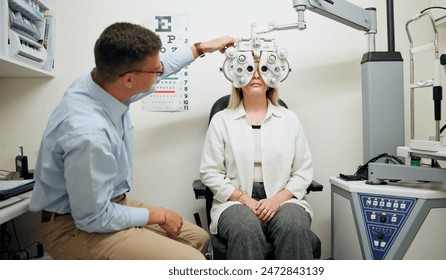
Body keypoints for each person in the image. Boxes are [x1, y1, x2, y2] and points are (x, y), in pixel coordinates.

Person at [29, 22, 235, 260]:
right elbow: (93, 217)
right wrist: (158, 215)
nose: (160, 72)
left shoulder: (102, 81)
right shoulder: (88, 133)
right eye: (156, 72)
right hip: (73, 226)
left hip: (111, 204)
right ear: (128, 80)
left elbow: (162, 66)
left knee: (198, 239)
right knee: (192, 262)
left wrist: (201, 48)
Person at [199, 57, 319, 259]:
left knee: (294, 225)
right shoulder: (222, 120)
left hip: (283, 198)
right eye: (248, 69)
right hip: (234, 199)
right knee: (245, 227)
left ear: (273, 76)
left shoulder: (289, 119)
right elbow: (210, 172)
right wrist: (244, 198)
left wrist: (276, 200)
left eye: (263, 69)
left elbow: (302, 171)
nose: (256, 75)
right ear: (237, 77)